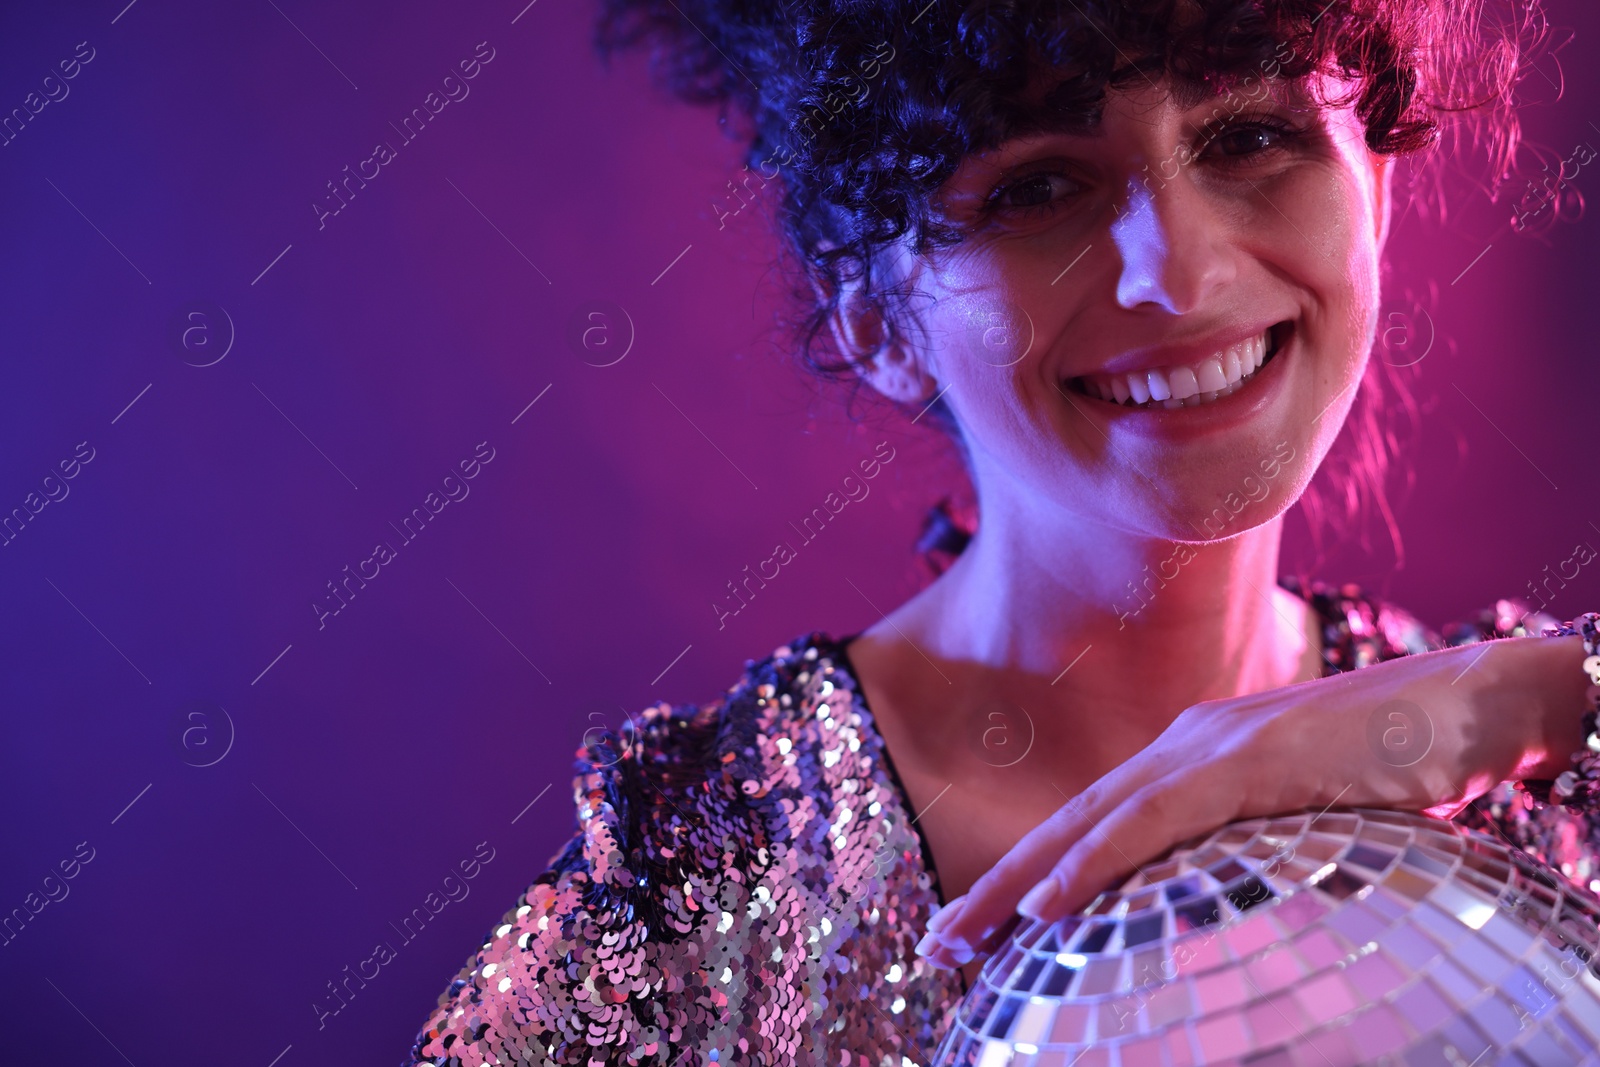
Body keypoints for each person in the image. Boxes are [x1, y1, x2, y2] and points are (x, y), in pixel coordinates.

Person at [404, 0, 1600, 1063]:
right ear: (876, 316)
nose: (1176, 277)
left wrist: (1533, 703)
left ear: (1374, 193)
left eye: (1249, 136)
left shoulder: (1538, 774)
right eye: (1036, 187)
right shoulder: (697, 900)